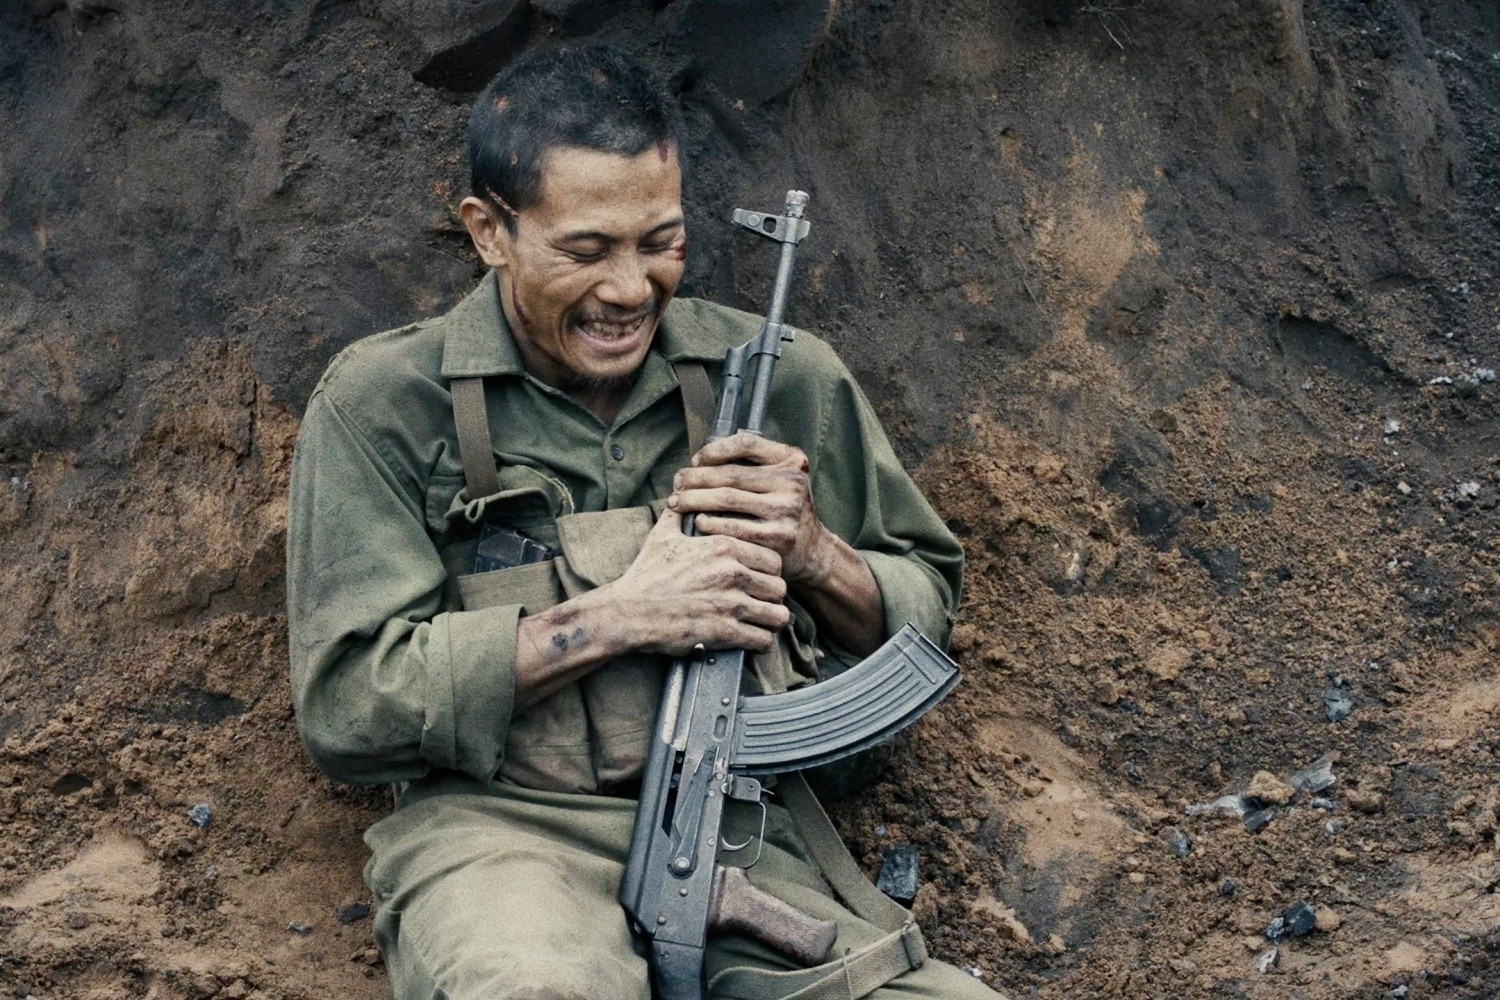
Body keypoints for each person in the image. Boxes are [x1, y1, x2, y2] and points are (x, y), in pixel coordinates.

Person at [287, 42, 1004, 1000]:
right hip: (503, 839)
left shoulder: (783, 376)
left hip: (750, 828)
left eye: (659, 242)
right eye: (585, 252)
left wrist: (816, 555)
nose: (629, 289)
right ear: (489, 231)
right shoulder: (383, 404)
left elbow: (925, 614)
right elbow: (346, 707)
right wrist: (617, 617)